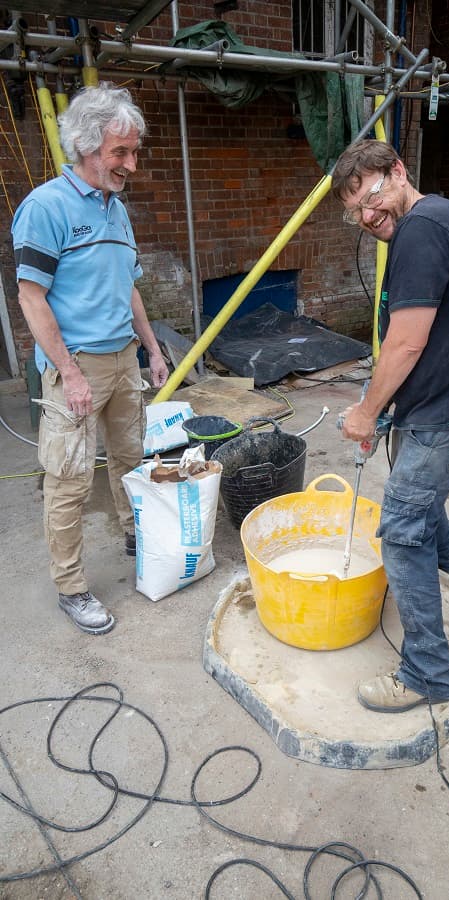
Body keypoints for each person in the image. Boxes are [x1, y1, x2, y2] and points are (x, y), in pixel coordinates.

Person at [332, 139, 449, 713]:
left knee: (402, 529)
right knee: (417, 485)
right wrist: (384, 401)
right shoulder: (441, 218)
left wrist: (365, 412)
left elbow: (406, 341)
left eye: (374, 195)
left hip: (447, 404)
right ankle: (447, 559)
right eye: (356, 210)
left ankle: (427, 671)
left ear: (399, 172)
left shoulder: (423, 228)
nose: (368, 216)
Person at [11, 83, 169, 636]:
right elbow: (31, 297)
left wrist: (151, 348)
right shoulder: (46, 208)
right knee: (70, 481)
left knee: (130, 460)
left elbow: (129, 287)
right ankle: (72, 587)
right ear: (85, 146)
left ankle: (135, 536)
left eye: (134, 152)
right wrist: (70, 374)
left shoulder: (116, 210)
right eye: (119, 152)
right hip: (75, 365)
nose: (130, 164)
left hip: (124, 361)